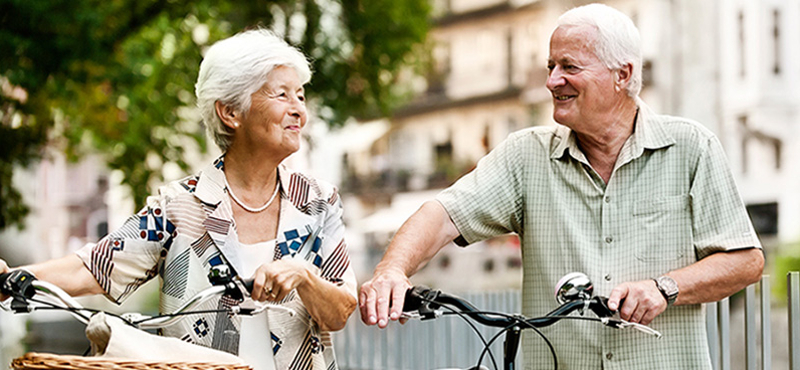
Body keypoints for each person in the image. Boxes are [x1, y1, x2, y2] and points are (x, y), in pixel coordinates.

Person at [359, 3, 764, 369]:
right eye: (551, 65)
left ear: (622, 75)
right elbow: (443, 214)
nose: (552, 81)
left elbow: (746, 261)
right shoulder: (525, 155)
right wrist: (391, 271)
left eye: (569, 67)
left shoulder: (691, 147)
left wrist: (665, 288)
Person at [1, 29, 357, 370]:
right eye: (282, 95)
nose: (298, 110)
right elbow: (96, 267)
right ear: (230, 112)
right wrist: (13, 278)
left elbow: (340, 310)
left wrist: (305, 277)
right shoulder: (178, 206)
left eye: (300, 95)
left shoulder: (318, 202)